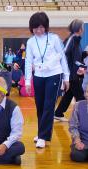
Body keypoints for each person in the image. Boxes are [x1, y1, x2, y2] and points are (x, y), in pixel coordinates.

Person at [25, 12, 70, 148]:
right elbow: (28, 61)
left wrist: (66, 77)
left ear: (46, 27)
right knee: (40, 105)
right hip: (38, 76)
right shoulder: (30, 42)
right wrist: (28, 81)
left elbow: (63, 58)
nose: (39, 31)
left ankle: (44, 137)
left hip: (54, 75)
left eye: (41, 27)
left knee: (49, 105)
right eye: (36, 28)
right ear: (31, 28)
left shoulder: (54, 38)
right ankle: (41, 133)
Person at [55, 19, 85, 122]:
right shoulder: (72, 39)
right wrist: (82, 66)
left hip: (73, 72)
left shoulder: (76, 39)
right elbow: (64, 54)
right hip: (71, 74)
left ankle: (58, 113)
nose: (83, 29)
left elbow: (75, 56)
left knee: (69, 94)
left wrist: (84, 55)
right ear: (80, 28)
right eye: (83, 27)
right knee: (81, 97)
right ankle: (84, 116)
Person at [69, 84, 88, 162]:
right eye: (86, 92)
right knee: (77, 155)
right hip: (82, 142)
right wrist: (77, 141)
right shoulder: (78, 105)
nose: (86, 94)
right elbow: (73, 126)